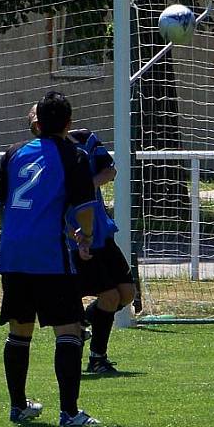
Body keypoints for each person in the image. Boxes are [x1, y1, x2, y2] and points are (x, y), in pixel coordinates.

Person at [0, 91, 101, 427]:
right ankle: (70, 412)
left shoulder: (15, 152)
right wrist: (86, 236)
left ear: (38, 122)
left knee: (20, 328)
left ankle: (19, 406)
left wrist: (13, 228)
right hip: (48, 254)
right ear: (68, 122)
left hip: (13, 252)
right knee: (70, 329)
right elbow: (84, 208)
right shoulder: (72, 155)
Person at [28, 104, 135, 374]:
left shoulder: (85, 139)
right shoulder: (44, 155)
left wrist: (84, 185)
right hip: (76, 236)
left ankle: (83, 323)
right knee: (110, 295)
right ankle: (97, 358)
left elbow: (109, 171)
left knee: (127, 293)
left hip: (100, 230)